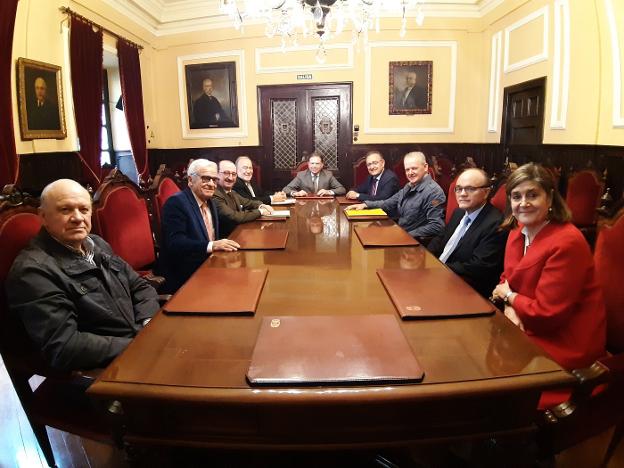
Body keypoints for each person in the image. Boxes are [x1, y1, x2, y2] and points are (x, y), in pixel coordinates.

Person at [6, 179, 159, 371]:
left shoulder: (96, 244)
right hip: (107, 371)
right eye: (65, 210)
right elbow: (65, 346)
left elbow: (140, 286)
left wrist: (147, 323)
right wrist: (139, 345)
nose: (78, 218)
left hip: (138, 345)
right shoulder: (33, 271)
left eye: (84, 209)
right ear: (43, 216)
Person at [491, 163, 606, 371]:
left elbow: (548, 314)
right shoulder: (517, 231)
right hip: (526, 323)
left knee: (493, 377)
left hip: (563, 340)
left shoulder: (567, 242)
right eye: (516, 196)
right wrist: (511, 309)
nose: (523, 203)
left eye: (532, 195)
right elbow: (508, 280)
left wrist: (509, 298)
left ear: (550, 198)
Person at [160, 159, 240, 293]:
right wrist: (212, 245)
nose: (211, 184)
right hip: (186, 275)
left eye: (214, 180)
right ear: (190, 180)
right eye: (206, 179)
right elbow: (175, 243)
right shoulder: (176, 203)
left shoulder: (210, 202)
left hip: (211, 266)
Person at [428, 168, 508, 298]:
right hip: (439, 276)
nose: (462, 194)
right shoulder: (459, 212)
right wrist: (425, 259)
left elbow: (478, 267)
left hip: (465, 289)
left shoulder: (496, 223)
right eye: (458, 189)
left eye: (470, 189)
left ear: (486, 192)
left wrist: (438, 269)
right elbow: (440, 238)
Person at [347, 152, 445, 241]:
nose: (410, 173)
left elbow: (436, 226)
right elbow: (388, 203)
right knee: (363, 236)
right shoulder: (409, 186)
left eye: (414, 168)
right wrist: (365, 205)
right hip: (400, 234)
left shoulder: (434, 192)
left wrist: (406, 234)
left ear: (425, 167)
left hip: (415, 241)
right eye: (407, 169)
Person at [213, 160, 274, 237]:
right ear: (217, 174)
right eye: (226, 173)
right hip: (226, 241)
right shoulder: (215, 194)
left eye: (234, 174)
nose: (230, 178)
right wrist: (260, 212)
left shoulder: (232, 192)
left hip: (238, 234)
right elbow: (234, 217)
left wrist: (261, 205)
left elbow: (248, 202)